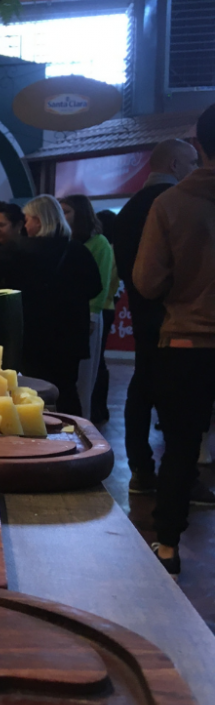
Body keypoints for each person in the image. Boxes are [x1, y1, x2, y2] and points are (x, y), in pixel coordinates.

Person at [133, 105, 215, 576]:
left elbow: (147, 281)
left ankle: (167, 546)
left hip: (186, 344)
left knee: (181, 448)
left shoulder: (171, 204)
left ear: (199, 146)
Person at [114, 138, 201, 495]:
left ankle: (141, 469)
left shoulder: (128, 209)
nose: (197, 169)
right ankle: (179, 482)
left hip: (142, 314)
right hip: (177, 316)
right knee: (180, 402)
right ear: (175, 165)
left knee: (142, 386)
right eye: (193, 162)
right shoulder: (175, 204)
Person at [0, 195, 102, 415]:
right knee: (66, 389)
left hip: (34, 335)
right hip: (70, 336)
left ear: (38, 220)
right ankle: (72, 430)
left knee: (33, 390)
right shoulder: (77, 250)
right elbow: (94, 288)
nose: (25, 225)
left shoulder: (21, 248)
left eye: (27, 219)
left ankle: (40, 431)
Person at [61, 194, 115, 422]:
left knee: (86, 372)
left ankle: (84, 419)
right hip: (68, 314)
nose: (62, 216)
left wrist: (92, 315)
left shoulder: (99, 243)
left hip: (90, 313)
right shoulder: (65, 240)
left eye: (67, 211)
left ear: (81, 214)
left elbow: (101, 283)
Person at [91, 209, 121, 422]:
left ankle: (97, 407)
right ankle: (101, 408)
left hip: (101, 309)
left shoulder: (102, 249)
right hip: (109, 306)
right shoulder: (116, 250)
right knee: (100, 361)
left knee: (96, 362)